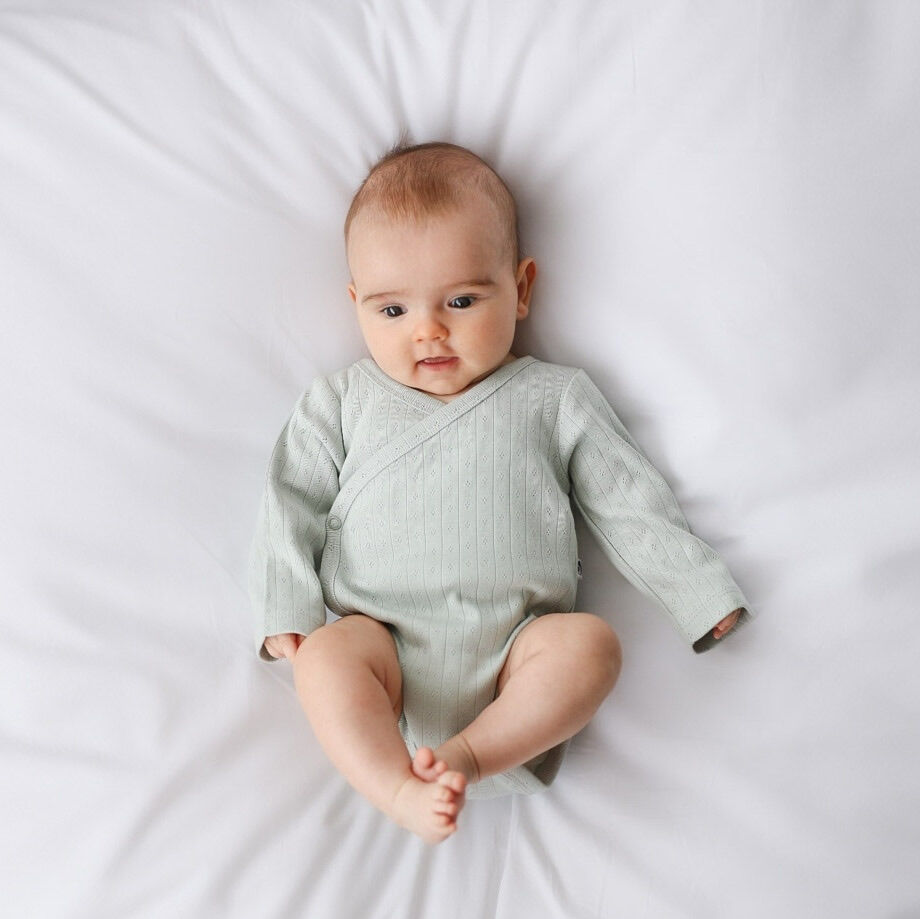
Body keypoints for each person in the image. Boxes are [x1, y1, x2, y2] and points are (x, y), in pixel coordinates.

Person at [249, 142, 750, 845]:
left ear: (520, 288)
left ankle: (466, 756)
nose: (427, 330)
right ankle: (393, 784)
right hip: (384, 654)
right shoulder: (342, 400)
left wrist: (699, 592)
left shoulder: (553, 396)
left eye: (460, 300)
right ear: (356, 303)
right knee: (326, 657)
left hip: (520, 659)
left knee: (592, 645)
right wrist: (285, 609)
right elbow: (291, 499)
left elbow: (629, 499)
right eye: (392, 310)